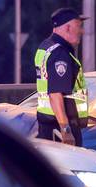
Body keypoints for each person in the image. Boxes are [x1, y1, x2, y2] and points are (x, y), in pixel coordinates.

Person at [34, 8, 88, 146]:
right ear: (68, 27)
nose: (81, 31)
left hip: (48, 124)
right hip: (59, 128)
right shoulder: (60, 53)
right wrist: (66, 130)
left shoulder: (45, 47)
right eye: (79, 26)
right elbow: (55, 94)